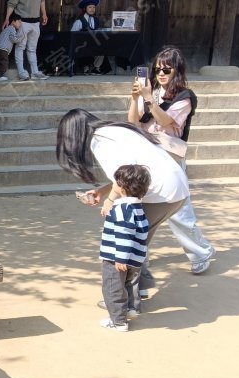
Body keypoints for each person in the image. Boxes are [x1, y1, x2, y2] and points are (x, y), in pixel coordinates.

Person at [56, 108, 189, 305]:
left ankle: (123, 302)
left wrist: (110, 201)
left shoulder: (100, 141)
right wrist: (102, 192)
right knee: (138, 242)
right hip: (176, 191)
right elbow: (129, 173)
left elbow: (124, 177)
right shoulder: (116, 130)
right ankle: (140, 288)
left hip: (159, 195)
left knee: (121, 247)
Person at [129, 45, 215, 275]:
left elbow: (166, 121)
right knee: (140, 207)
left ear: (177, 70)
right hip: (146, 155)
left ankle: (201, 252)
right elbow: (133, 121)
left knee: (178, 211)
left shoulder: (185, 97)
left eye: (166, 69)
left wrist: (149, 99)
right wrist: (136, 98)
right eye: (157, 69)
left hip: (169, 159)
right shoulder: (151, 92)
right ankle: (140, 257)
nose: (161, 74)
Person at [98, 165, 150, 332]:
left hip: (117, 258)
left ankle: (118, 322)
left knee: (112, 287)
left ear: (121, 187)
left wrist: (120, 258)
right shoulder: (137, 208)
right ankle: (130, 308)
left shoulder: (122, 210)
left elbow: (124, 235)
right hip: (135, 258)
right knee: (128, 284)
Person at [2, 0, 50, 81]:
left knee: (32, 48)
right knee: (20, 47)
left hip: (36, 21)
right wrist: (7, 18)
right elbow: (11, 4)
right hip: (22, 21)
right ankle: (22, 72)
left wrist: (44, 14)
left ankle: (35, 72)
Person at [71, 0, 111, 76]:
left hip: (93, 43)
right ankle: (85, 67)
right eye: (90, 7)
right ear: (85, 8)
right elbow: (72, 34)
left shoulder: (95, 20)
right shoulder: (79, 21)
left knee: (102, 47)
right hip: (81, 45)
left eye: (94, 7)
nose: (92, 9)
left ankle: (96, 68)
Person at [0, 12, 25, 82]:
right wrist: (22, 37)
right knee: (4, 64)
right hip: (3, 50)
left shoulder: (6, 29)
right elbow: (14, 39)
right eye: (19, 22)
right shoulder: (12, 29)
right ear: (13, 21)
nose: (20, 24)